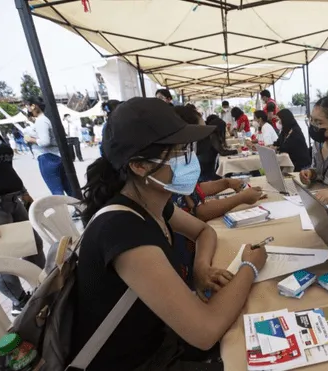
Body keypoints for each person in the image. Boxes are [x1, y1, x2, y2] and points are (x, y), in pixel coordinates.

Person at [72, 97, 267, 370]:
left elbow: (203, 231)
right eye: (178, 154)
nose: (189, 160)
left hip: (163, 339)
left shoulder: (152, 203)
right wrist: (250, 266)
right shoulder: (123, 230)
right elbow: (205, 331)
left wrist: (200, 267)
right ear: (139, 166)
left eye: (187, 150)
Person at [0, 95, 45, 316]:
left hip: (11, 199)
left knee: (34, 244)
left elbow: (5, 166)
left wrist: (23, 191)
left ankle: (41, 287)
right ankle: (18, 302)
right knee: (4, 261)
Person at [24, 97, 73, 196]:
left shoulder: (41, 121)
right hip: (56, 156)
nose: (27, 109)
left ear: (33, 106)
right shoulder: (46, 119)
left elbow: (45, 142)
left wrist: (30, 139)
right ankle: (80, 209)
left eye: (27, 107)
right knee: (68, 187)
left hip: (47, 157)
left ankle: (63, 211)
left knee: (57, 192)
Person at [196, 115, 238, 181]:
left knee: (209, 177)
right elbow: (222, 152)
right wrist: (236, 151)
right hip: (205, 161)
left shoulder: (209, 133)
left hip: (204, 159)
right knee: (207, 178)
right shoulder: (212, 136)